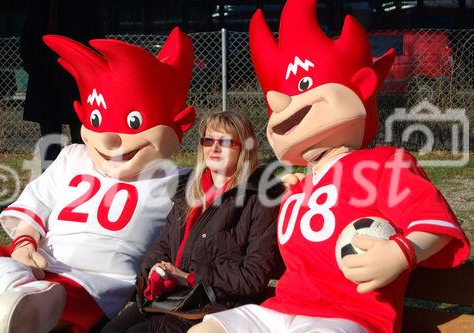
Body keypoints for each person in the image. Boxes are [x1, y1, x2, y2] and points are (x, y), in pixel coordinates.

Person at [190, 1, 470, 333]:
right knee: (206, 330)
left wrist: (401, 253)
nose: (281, 104)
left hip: (350, 316)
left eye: (303, 87)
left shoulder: (384, 163)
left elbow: (434, 225)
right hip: (280, 309)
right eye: (275, 97)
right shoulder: (298, 186)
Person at [0, 28, 196, 333]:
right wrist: (25, 240)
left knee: (42, 301)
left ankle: (9, 293)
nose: (108, 138)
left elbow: (231, 187)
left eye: (134, 123)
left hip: (93, 285)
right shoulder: (73, 157)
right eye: (96, 121)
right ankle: (12, 288)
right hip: (39, 263)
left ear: (179, 122)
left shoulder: (178, 181)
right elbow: (38, 200)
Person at [101, 112, 285, 333]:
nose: (214, 148)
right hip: (174, 297)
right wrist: (154, 269)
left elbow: (253, 278)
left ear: (244, 148)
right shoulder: (189, 193)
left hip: (217, 303)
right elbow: (162, 245)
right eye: (208, 140)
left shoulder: (259, 199)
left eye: (225, 142)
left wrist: (189, 277)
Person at [20, 0, 104, 171]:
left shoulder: (39, 5)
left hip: (65, 77)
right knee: (74, 136)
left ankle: (69, 179)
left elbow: (26, 43)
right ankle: (75, 178)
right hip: (64, 77)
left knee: (68, 136)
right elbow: (96, 39)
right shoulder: (40, 5)